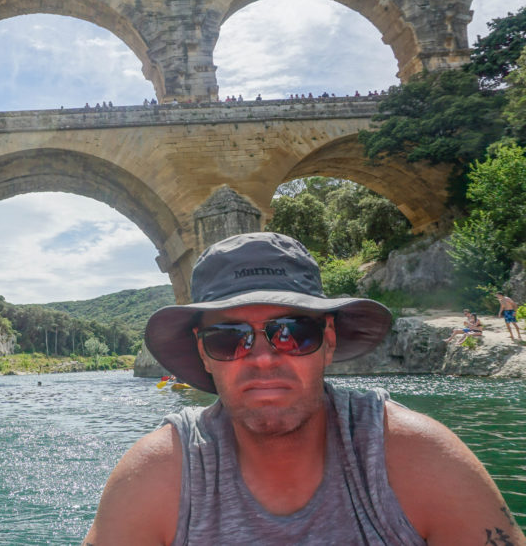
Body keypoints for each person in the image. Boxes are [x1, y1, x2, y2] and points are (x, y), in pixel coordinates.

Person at [83, 232, 523, 545]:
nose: (263, 358)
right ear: (203, 354)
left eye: (292, 332)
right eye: (228, 338)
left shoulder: (416, 457)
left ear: (328, 342)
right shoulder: (156, 475)